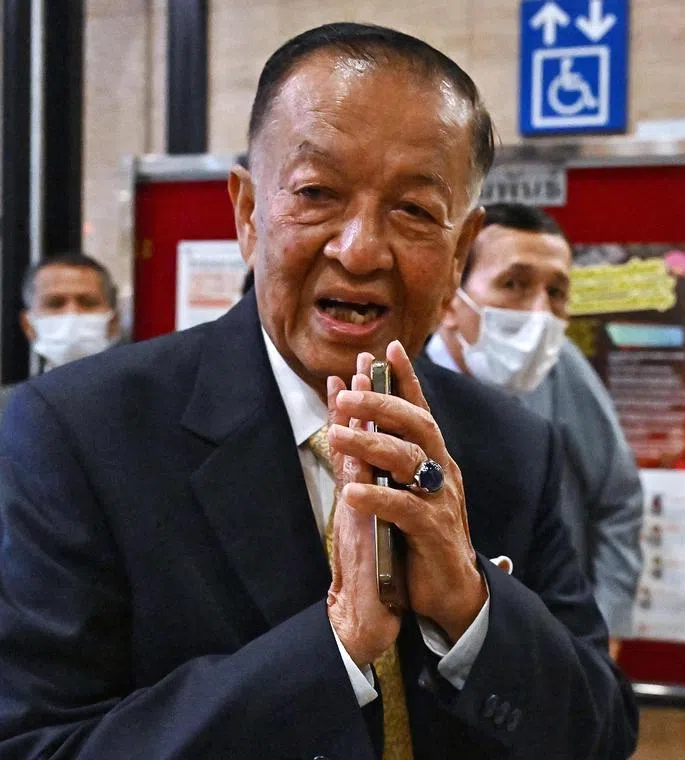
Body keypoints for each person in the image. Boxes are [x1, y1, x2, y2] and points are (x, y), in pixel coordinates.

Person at [0, 22, 637, 760]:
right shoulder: (80, 433)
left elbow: (602, 735)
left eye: (415, 211)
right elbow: (38, 746)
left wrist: (471, 608)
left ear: (461, 249)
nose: (361, 248)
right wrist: (334, 652)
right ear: (246, 213)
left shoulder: (511, 448)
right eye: (317, 193)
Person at [426, 203, 643, 659]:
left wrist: (604, 625)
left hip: (546, 642)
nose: (540, 313)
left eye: (557, 291)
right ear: (449, 298)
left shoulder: (562, 369)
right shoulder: (407, 382)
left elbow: (618, 499)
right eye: (515, 284)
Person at [19, 251, 120, 370]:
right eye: (55, 304)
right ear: (28, 326)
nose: (72, 313)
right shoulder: (18, 389)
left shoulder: (141, 388)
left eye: (88, 303)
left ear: (113, 322)